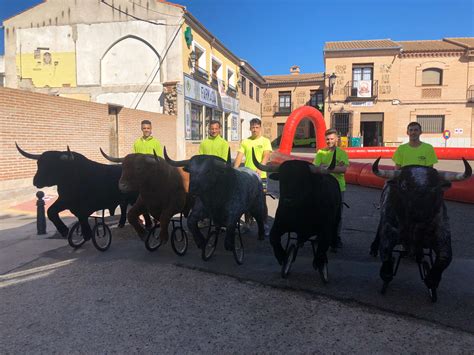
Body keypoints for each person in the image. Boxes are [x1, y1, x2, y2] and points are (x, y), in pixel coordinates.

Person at [233, 118, 272, 236]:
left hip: (261, 176)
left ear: (260, 128)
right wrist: (234, 170)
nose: (254, 129)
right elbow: (239, 156)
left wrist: (260, 167)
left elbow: (266, 155)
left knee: (261, 200)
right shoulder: (245, 141)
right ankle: (248, 224)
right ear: (250, 128)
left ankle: (264, 224)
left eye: (257, 127)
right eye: (252, 127)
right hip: (246, 176)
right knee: (246, 200)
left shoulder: (265, 141)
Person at [313, 128, 349, 249]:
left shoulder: (342, 153)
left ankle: (336, 237)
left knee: (337, 214)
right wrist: (333, 167)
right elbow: (315, 168)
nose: (329, 141)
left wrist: (325, 167)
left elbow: (343, 170)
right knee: (319, 211)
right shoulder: (320, 152)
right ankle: (320, 234)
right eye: (327, 139)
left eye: (332, 139)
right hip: (322, 187)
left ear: (337, 139)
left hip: (338, 188)